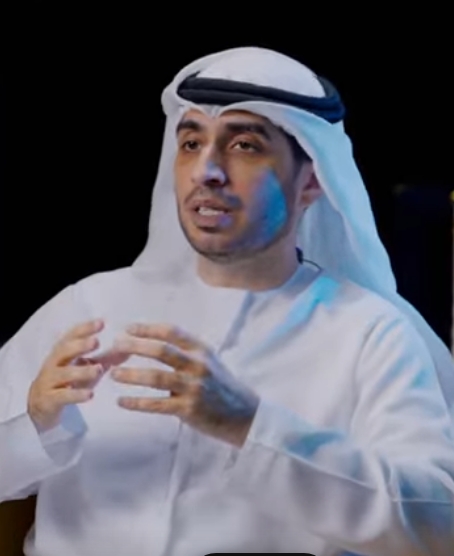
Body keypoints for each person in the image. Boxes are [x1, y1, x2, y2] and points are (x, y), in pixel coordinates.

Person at [1, 47, 454, 556]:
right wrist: (34, 422)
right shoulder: (88, 307)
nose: (206, 171)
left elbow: (438, 527)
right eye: (191, 143)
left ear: (311, 181)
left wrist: (251, 426)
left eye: (244, 145)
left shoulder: (372, 333)